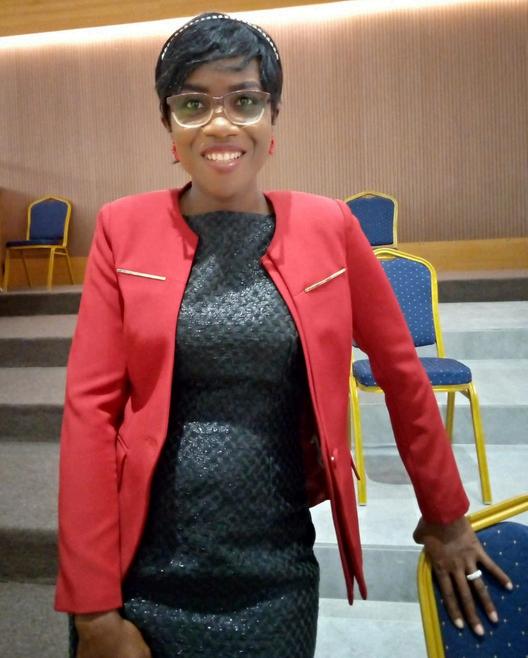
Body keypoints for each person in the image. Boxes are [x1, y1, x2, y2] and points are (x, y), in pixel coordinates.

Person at [55, 12, 511, 658]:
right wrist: (94, 611)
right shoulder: (121, 229)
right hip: (143, 564)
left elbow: (401, 372)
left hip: (276, 569)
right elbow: (89, 413)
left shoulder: (330, 227)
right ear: (168, 125)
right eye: (193, 104)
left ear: (273, 119)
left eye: (244, 101)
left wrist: (446, 514)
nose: (220, 124)